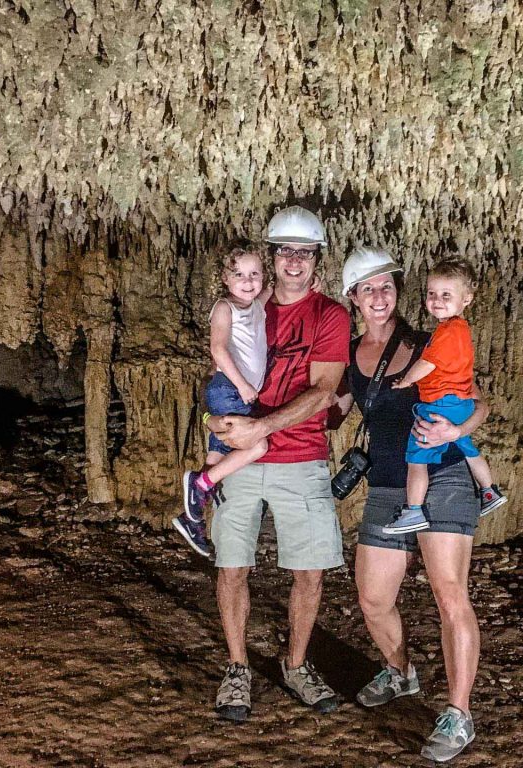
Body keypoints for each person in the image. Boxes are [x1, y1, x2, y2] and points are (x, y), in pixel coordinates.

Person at [331, 246, 488, 763]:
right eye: (367, 288)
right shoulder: (351, 356)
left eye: (386, 286)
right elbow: (332, 409)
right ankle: (400, 673)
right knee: (373, 598)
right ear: (352, 297)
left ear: (397, 292)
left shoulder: (431, 340)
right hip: (387, 485)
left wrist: (458, 428)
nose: (379, 296)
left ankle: (458, 713)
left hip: (442, 475)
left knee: (449, 595)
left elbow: (480, 400)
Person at [206, 205, 350, 723]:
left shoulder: (330, 315)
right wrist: (223, 422)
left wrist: (259, 429)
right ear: (272, 257)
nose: (294, 260)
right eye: (285, 251)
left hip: (301, 455)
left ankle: (295, 664)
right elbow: (221, 359)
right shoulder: (248, 303)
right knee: (232, 565)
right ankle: (238, 667)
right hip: (239, 456)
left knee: (309, 571)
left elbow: (325, 390)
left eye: (304, 252)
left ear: (316, 259)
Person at [382, 259, 506, 535]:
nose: (437, 301)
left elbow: (428, 363)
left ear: (467, 299)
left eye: (446, 295)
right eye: (432, 294)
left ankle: (414, 510)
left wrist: (406, 381)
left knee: (416, 459)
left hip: (441, 404)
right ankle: (489, 491)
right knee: (469, 449)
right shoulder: (459, 330)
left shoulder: (448, 332)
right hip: (460, 404)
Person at [173, 245, 273, 558]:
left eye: (254, 274)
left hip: (233, 389)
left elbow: (273, 292)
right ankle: (199, 485)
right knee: (258, 445)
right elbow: (218, 349)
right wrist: (243, 385)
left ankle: (192, 520)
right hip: (229, 387)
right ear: (225, 279)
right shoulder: (224, 308)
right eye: (239, 274)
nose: (248, 280)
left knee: (218, 453)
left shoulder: (256, 304)